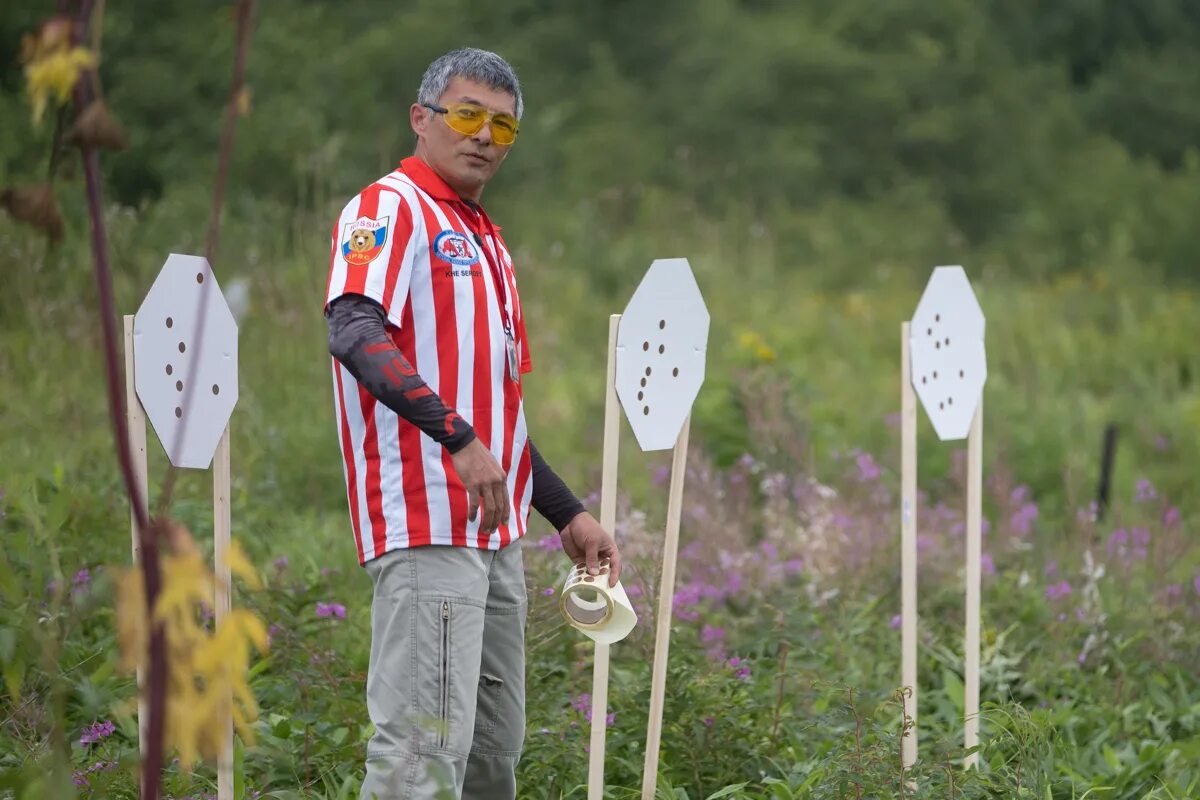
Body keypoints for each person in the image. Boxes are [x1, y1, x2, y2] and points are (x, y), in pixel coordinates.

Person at [323, 48, 622, 800]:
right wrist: (455, 438)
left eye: (504, 126)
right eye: (466, 115)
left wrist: (567, 514)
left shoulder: (486, 237)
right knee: (422, 753)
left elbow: (498, 416)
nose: (484, 136)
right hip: (426, 523)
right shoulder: (388, 207)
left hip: (495, 535)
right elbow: (353, 331)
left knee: (491, 760)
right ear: (421, 119)